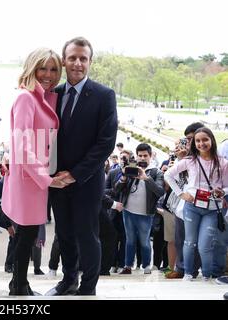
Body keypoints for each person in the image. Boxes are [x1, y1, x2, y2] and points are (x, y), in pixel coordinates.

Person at [47, 37, 118, 296]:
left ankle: (88, 286)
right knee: (63, 234)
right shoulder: (53, 94)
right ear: (64, 60)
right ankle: (68, 280)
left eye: (83, 58)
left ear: (90, 62)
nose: (77, 63)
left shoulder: (104, 95)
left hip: (87, 181)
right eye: (73, 58)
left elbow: (106, 143)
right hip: (56, 180)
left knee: (87, 235)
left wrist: (75, 175)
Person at [2, 47, 68, 296]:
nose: (48, 74)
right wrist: (46, 179)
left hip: (35, 175)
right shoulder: (26, 98)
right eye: (43, 68)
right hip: (30, 178)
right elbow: (22, 145)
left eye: (53, 69)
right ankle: (19, 286)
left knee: (26, 234)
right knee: (26, 234)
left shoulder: (42, 97)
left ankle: (18, 284)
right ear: (32, 67)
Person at [164, 127, 228, 281]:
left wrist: (222, 192)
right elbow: (168, 174)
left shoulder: (223, 163)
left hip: (212, 209)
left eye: (205, 140)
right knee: (189, 241)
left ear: (212, 140)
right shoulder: (190, 160)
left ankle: (206, 275)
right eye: (198, 141)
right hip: (191, 207)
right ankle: (187, 273)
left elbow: (227, 186)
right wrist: (182, 194)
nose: (201, 144)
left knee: (204, 244)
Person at [115, 143, 165, 275]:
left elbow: (160, 191)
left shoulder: (156, 172)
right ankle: (128, 266)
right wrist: (124, 177)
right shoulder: (131, 169)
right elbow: (117, 189)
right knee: (130, 240)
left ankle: (146, 265)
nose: (142, 158)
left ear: (150, 156)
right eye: (140, 155)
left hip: (145, 213)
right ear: (136, 156)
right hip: (128, 211)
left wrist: (145, 178)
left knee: (144, 241)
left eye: (145, 156)